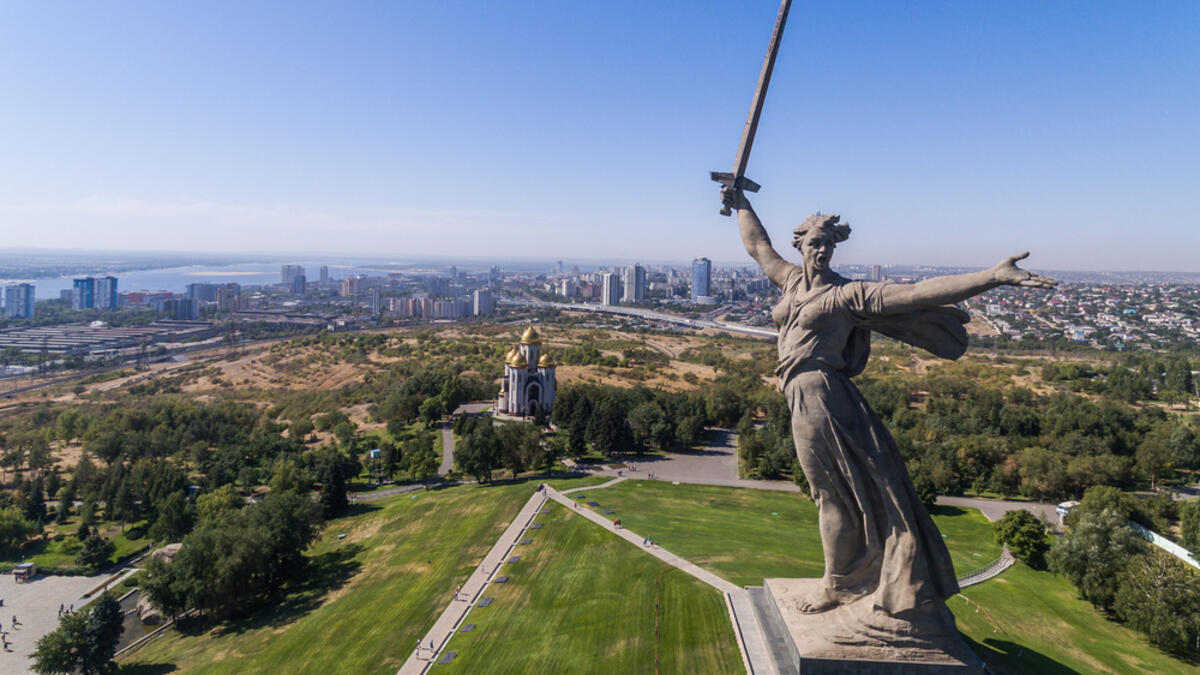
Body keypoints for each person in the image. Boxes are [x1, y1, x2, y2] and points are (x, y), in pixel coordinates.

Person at [725, 187, 1054, 616]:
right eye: (814, 242)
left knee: (831, 495)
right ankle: (846, 577)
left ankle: (837, 585)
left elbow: (920, 293)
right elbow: (757, 245)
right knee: (834, 493)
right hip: (801, 395)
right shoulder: (789, 279)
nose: (821, 249)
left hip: (821, 396)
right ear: (801, 243)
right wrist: (740, 200)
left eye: (828, 243)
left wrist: (991, 275)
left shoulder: (848, 295)